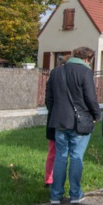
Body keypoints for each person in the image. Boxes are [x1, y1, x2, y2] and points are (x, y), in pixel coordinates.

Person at [47, 46, 101, 204]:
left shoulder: (56, 71)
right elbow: (91, 98)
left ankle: (55, 195)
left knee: (60, 157)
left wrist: (55, 111)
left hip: (59, 120)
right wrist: (96, 115)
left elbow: (49, 98)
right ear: (87, 59)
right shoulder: (85, 72)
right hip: (80, 121)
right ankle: (75, 194)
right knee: (76, 157)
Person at [44, 54, 69, 188]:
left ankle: (49, 179)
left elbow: (48, 97)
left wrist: (53, 111)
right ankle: (52, 179)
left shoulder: (54, 74)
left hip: (54, 117)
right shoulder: (68, 76)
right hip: (62, 119)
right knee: (58, 151)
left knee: (53, 151)